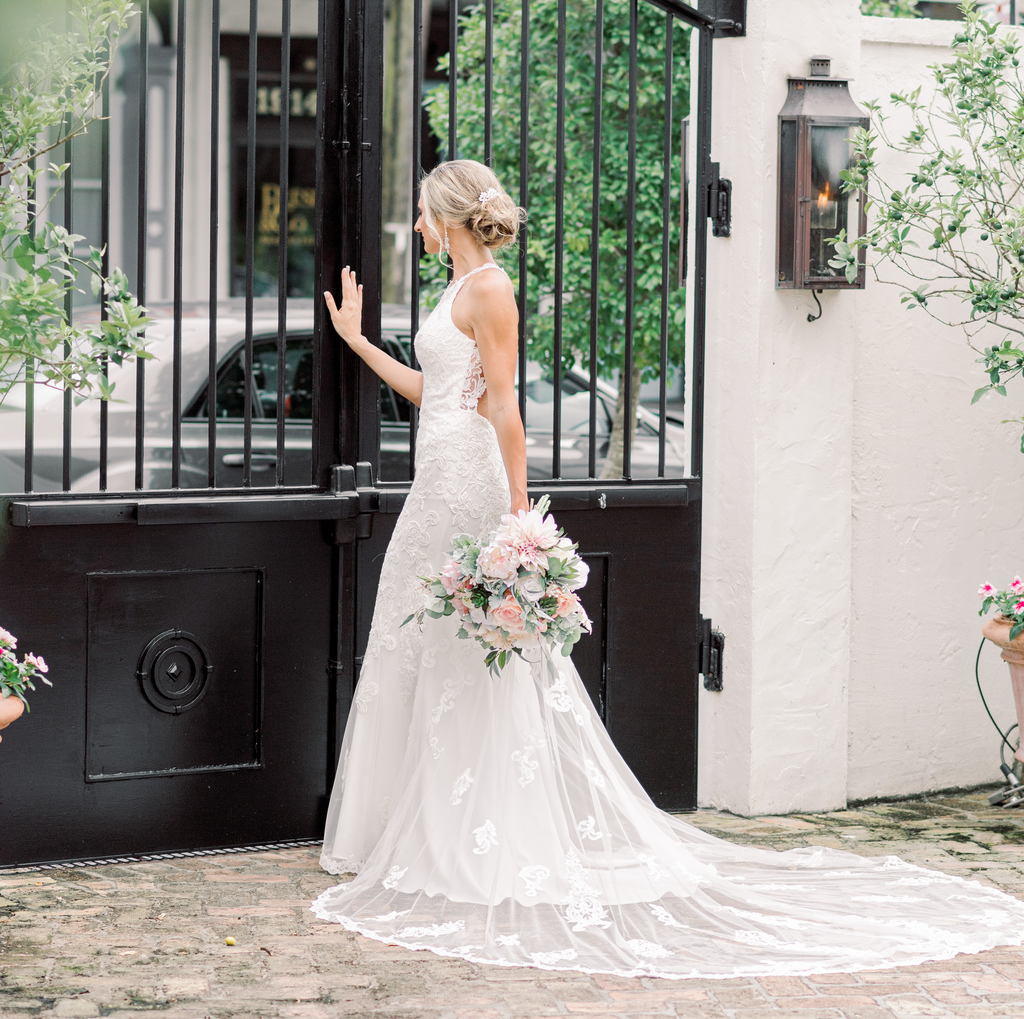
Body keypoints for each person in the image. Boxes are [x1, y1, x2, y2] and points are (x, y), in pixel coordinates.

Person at [313, 158, 1024, 977]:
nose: (416, 224)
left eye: (421, 212)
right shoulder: (452, 290)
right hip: (433, 481)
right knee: (420, 643)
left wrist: (519, 511)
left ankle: (486, 836)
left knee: (484, 652)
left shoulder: (491, 290)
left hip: (472, 482)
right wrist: (358, 340)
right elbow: (435, 392)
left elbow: (503, 404)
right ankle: (404, 827)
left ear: (446, 214)